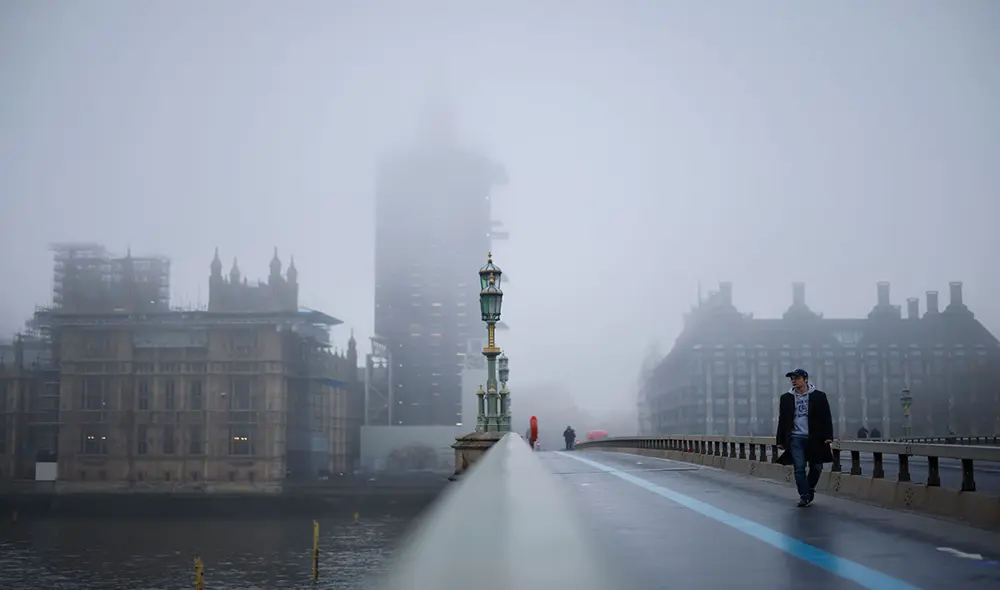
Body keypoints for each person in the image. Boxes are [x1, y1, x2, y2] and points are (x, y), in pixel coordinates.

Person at [776, 368, 834, 507]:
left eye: (797, 378)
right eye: (792, 379)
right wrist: (780, 440)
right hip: (795, 438)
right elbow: (782, 420)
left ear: (805, 379)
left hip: (815, 437)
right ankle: (804, 495)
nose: (793, 381)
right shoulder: (786, 398)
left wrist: (828, 436)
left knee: (816, 467)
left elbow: (826, 416)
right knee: (799, 468)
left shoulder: (819, 396)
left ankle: (810, 488)